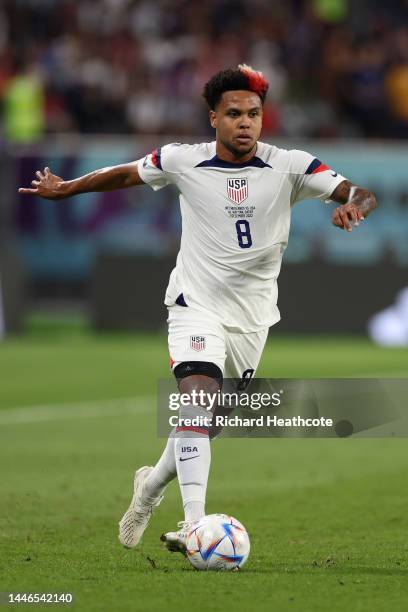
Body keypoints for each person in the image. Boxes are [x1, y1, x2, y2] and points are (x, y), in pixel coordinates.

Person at [19, 64, 377, 556]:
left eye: (253, 113)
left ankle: (148, 487)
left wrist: (353, 207)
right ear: (214, 118)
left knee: (206, 424)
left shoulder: (293, 165)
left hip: (252, 318)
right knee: (196, 402)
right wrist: (67, 188)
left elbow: (359, 192)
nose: (245, 122)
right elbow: (125, 173)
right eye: (234, 114)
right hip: (195, 305)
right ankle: (195, 526)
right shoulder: (183, 161)